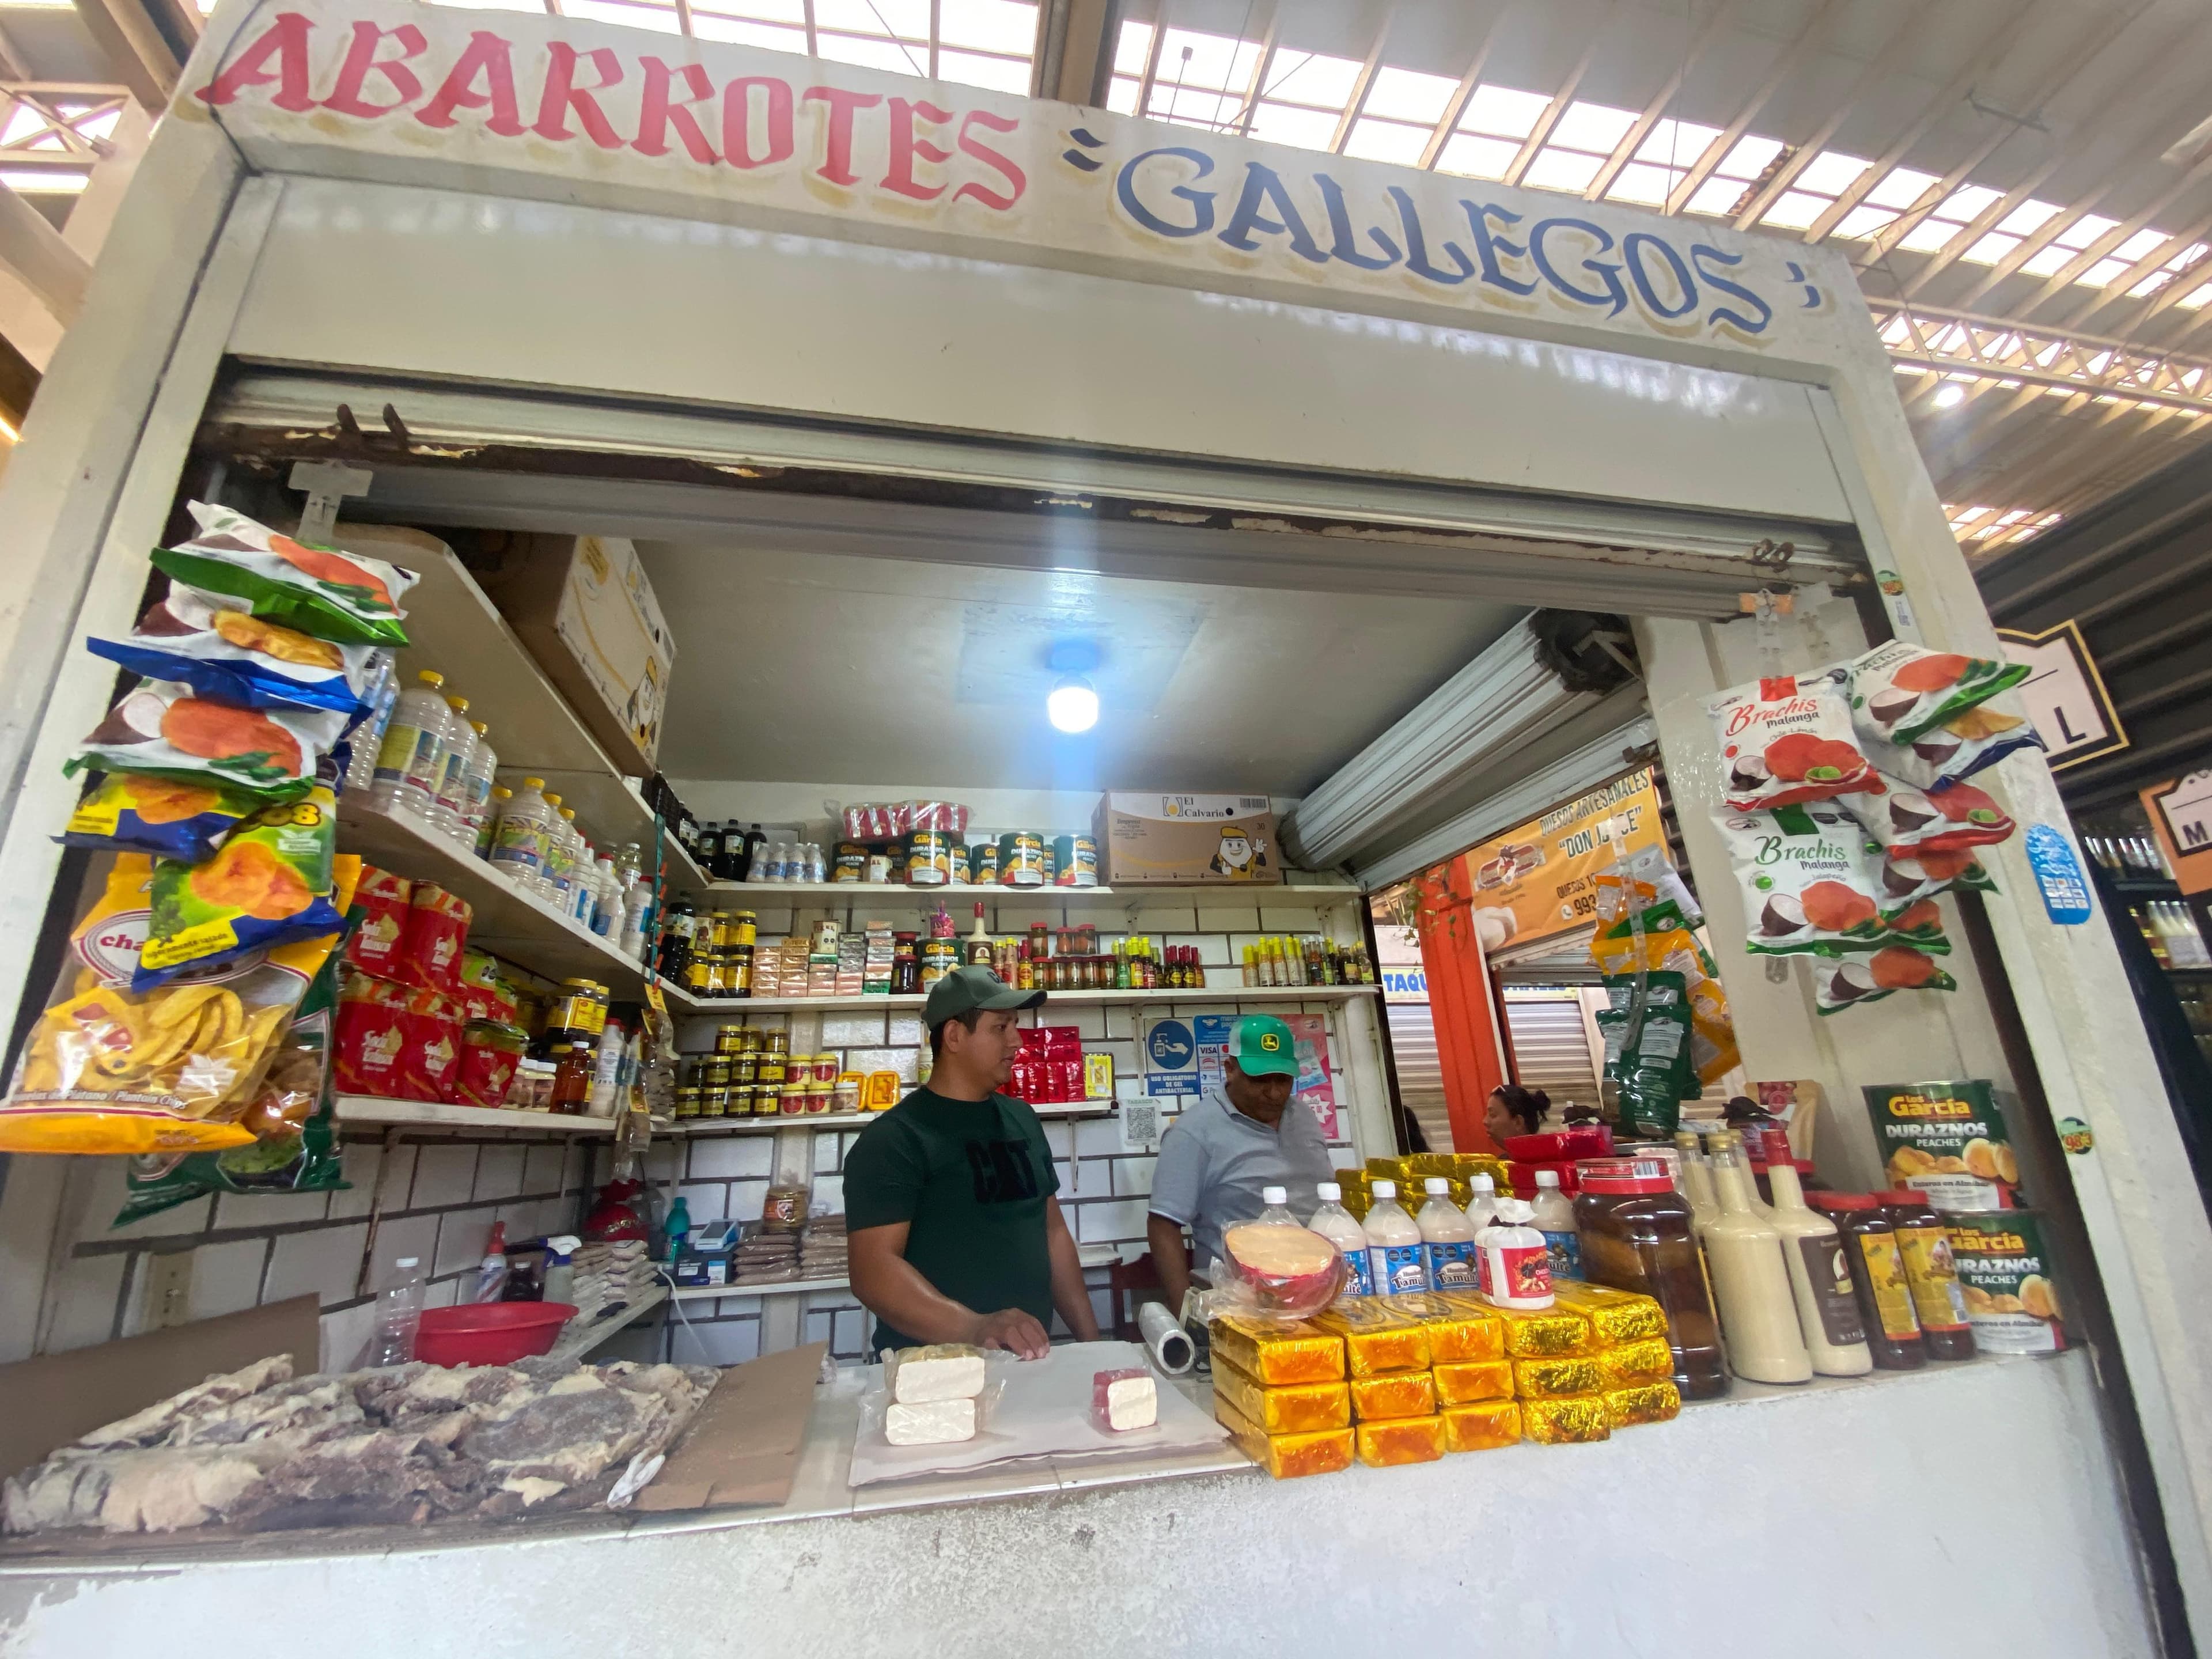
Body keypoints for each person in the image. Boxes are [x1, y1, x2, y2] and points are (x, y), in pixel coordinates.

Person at [845, 965, 1100, 1359]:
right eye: (1001, 1028)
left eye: (1015, 1025)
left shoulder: (1022, 1119)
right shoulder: (895, 1138)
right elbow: (872, 1272)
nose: (1017, 1041)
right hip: (931, 1374)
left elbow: (1053, 1234)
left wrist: (1093, 1346)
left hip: (1028, 1362)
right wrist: (975, 1327)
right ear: (953, 1036)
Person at [1146, 1014, 1334, 1316]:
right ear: (1230, 1070)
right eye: (1260, 1080)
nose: (1274, 1094)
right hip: (1242, 1305)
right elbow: (1163, 1225)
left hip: (1320, 1294)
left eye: (1283, 1080)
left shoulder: (1305, 1117)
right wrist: (1187, 1314)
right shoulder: (1193, 1132)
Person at [1485, 1083, 1551, 1147]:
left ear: (1518, 1122)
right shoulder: (1504, 1158)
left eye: (1492, 1115)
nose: (1485, 1122)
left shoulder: (1546, 1158)